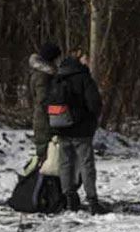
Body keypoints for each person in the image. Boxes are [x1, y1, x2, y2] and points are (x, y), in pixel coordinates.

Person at [46, 51, 108, 215]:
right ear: (80, 63)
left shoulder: (58, 77)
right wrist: (91, 119)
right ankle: (92, 200)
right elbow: (95, 103)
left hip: (61, 126)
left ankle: (69, 198)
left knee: (66, 163)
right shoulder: (84, 78)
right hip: (81, 129)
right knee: (86, 164)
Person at [28, 43, 61, 163]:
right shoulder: (44, 76)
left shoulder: (44, 74)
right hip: (45, 120)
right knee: (46, 155)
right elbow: (43, 100)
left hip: (45, 118)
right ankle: (39, 180)